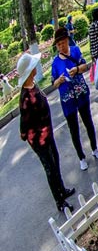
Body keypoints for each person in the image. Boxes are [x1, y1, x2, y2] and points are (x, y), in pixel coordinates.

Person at [18, 52, 76, 212]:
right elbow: (24, 122)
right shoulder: (25, 97)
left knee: (55, 161)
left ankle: (62, 189)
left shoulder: (33, 85)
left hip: (47, 133)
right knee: (50, 168)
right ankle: (60, 201)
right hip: (39, 140)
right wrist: (25, 135)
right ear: (30, 71)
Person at [51, 27, 98, 171]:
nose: (61, 46)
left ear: (67, 40)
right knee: (74, 129)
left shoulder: (75, 51)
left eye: (63, 42)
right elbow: (53, 83)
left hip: (81, 94)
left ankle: (95, 148)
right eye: (58, 44)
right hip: (67, 100)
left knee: (88, 122)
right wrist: (59, 81)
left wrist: (77, 70)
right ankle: (81, 157)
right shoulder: (55, 63)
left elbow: (85, 65)